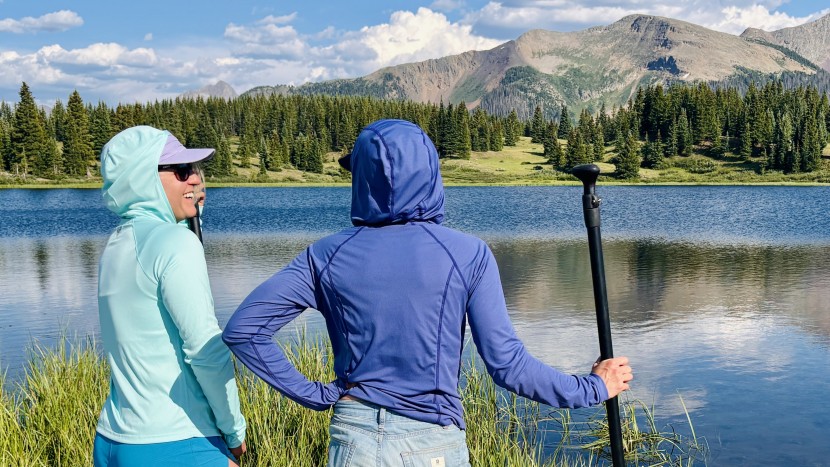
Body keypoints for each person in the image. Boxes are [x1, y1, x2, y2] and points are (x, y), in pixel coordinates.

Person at [222, 119, 632, 466]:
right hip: (433, 444)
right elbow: (507, 366)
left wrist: (317, 396)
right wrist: (593, 387)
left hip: (355, 442)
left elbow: (244, 331)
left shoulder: (325, 256)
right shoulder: (467, 254)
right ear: (431, 175)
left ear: (363, 181)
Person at [94, 125, 247, 467]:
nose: (195, 179)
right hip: (175, 441)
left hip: (114, 441)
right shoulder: (175, 244)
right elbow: (206, 352)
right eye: (182, 171)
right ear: (143, 178)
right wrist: (234, 430)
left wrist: (193, 217)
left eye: (195, 170)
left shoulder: (117, 246)